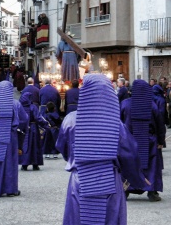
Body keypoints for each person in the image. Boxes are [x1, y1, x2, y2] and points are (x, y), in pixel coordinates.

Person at [56, 74, 148, 224]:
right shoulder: (114, 123)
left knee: (79, 217)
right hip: (109, 179)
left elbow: (62, 147)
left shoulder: (70, 119)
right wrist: (137, 178)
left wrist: (76, 159)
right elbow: (129, 154)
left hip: (80, 179)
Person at [120, 79, 164, 201]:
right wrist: (161, 141)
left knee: (128, 165)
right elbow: (160, 125)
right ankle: (152, 191)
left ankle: (126, 189)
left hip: (129, 142)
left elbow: (119, 122)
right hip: (149, 141)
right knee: (152, 166)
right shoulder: (152, 105)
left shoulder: (125, 104)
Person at [18, 92, 49, 171]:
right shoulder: (33, 107)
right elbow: (38, 118)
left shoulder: (19, 107)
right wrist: (46, 125)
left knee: (24, 145)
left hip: (23, 129)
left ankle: (24, 163)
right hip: (33, 128)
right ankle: (35, 163)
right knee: (34, 146)